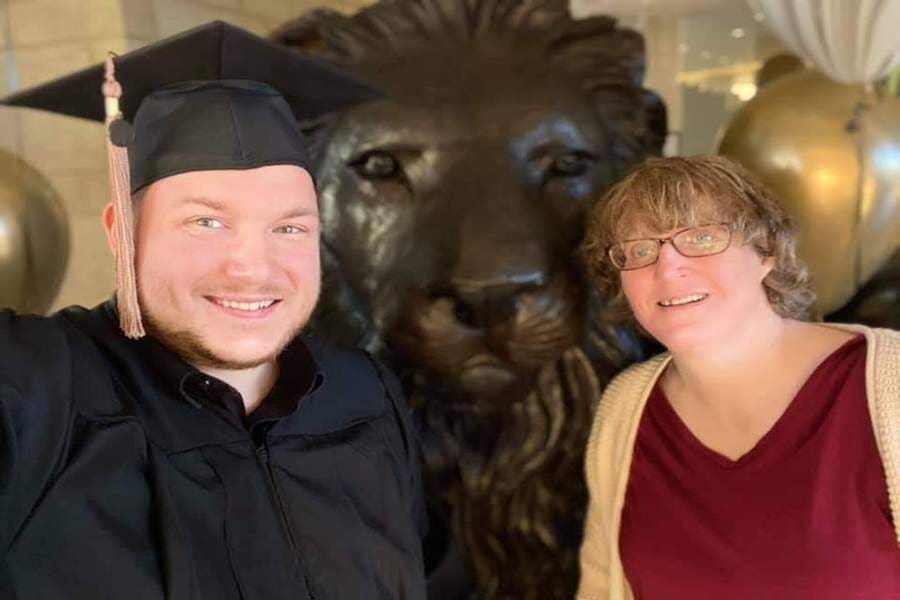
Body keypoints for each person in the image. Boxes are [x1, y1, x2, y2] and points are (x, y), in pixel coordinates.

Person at [0, 22, 427, 600]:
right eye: (206, 221)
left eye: (289, 226)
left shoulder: (366, 393)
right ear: (120, 232)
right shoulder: (37, 389)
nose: (251, 267)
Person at [577, 155, 900, 599]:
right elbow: (599, 587)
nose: (667, 269)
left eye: (702, 236)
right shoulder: (625, 407)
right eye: (639, 250)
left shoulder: (889, 385)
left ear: (766, 251)